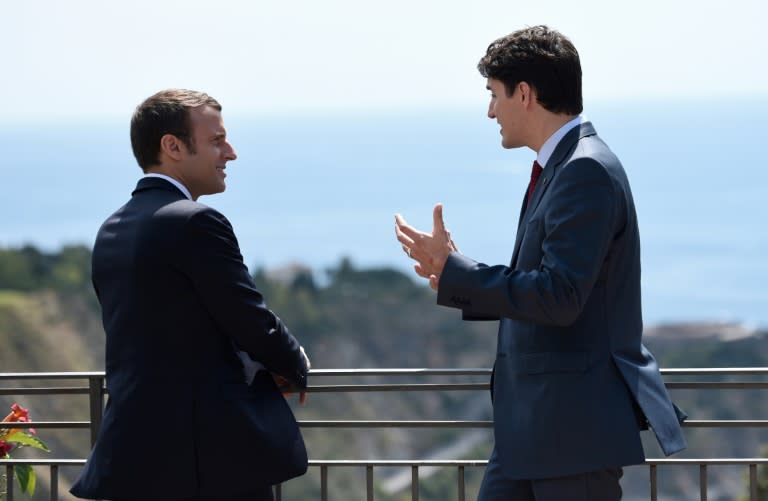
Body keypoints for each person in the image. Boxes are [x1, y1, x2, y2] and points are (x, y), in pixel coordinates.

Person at [395, 26, 686, 500]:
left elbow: (559, 297)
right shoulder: (565, 166)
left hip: (571, 435)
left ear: (525, 94)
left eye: (494, 95)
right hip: (532, 433)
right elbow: (546, 286)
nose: (490, 111)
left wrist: (457, 273)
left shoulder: (584, 170)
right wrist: (455, 272)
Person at [70, 89, 311, 501]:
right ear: (173, 146)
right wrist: (295, 362)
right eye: (217, 141)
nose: (230, 153)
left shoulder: (111, 230)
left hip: (135, 457)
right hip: (210, 462)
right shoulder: (195, 223)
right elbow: (250, 320)